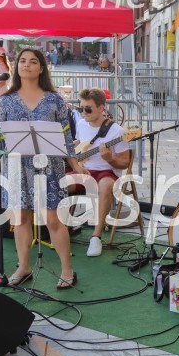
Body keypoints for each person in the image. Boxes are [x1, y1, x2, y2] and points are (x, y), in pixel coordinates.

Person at [0, 48, 80, 289]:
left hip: (49, 167)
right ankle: (24, 266)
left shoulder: (55, 100)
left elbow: (66, 137)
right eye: (22, 61)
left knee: (53, 219)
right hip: (16, 167)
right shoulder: (6, 100)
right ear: (16, 66)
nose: (27, 65)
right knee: (20, 219)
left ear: (42, 68)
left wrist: (76, 165)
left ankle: (67, 270)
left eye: (33, 61)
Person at [72, 89, 130, 257]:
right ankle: (62, 227)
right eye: (81, 108)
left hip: (106, 171)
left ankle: (96, 236)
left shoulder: (116, 132)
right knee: (59, 182)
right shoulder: (82, 123)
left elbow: (124, 162)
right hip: (83, 170)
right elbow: (79, 142)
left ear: (101, 108)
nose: (83, 112)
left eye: (88, 109)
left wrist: (110, 158)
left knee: (105, 187)